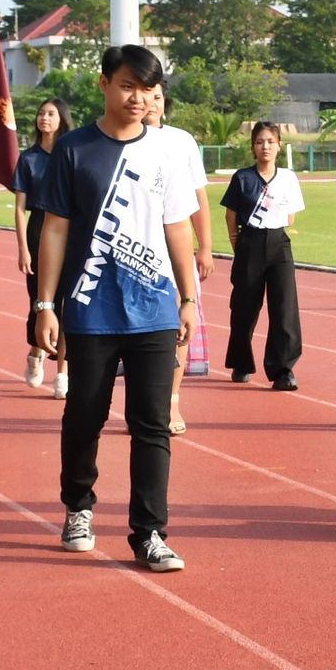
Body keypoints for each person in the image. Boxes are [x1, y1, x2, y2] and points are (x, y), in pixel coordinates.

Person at [30, 45, 200, 571]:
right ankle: (78, 506)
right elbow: (54, 229)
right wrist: (45, 304)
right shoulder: (74, 150)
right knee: (86, 414)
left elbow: (178, 228)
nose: (138, 98)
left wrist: (189, 298)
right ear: (104, 84)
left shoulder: (167, 152)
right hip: (90, 308)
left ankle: (150, 532)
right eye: (128, 85)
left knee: (152, 423)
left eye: (148, 89)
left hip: (155, 308)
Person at [141, 90, 211, 433]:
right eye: (145, 95)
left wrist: (205, 246)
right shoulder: (119, 141)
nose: (151, 103)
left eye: (157, 97)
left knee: (179, 323)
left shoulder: (181, 141)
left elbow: (197, 196)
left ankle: (171, 402)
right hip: (137, 248)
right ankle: (142, 402)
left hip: (175, 248)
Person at [217, 121, 303, 390]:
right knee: (244, 308)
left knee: (284, 308)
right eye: (259, 142)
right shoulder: (242, 178)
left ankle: (283, 370)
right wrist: (237, 242)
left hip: (279, 244)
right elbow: (230, 215)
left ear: (279, 145)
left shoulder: (288, 178)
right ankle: (241, 362)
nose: (265, 146)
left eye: (270, 141)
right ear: (253, 147)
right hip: (249, 244)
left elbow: (290, 216)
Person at [11, 98, 70, 397]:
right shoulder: (28, 159)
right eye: (41, 113)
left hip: (67, 230)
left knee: (67, 304)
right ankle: (37, 351)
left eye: (51, 114)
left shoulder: (70, 153)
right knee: (40, 300)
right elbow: (19, 209)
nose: (44, 118)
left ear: (62, 119)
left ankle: (63, 372)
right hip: (38, 230)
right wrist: (23, 248)